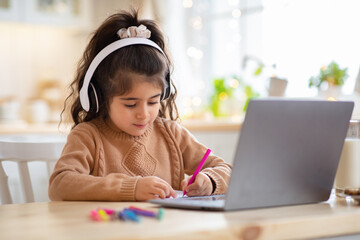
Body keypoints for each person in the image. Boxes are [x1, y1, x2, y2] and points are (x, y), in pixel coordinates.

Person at [48, 9, 232, 202]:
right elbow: (60, 184)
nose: (144, 114)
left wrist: (210, 180)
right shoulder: (88, 136)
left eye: (153, 101)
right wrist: (130, 188)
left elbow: (226, 169)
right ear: (99, 97)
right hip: (108, 230)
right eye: (130, 104)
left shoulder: (172, 134)